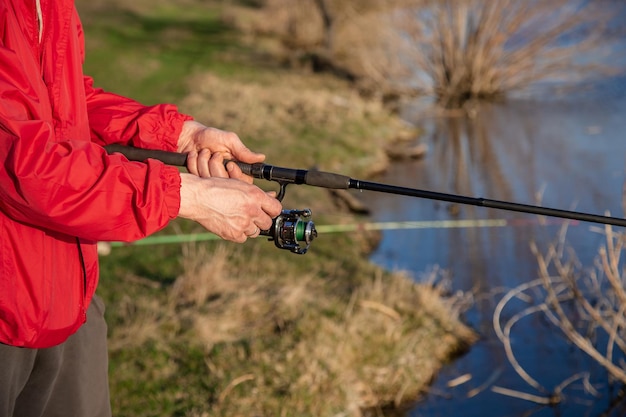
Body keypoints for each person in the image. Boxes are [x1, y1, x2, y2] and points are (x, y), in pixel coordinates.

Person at [0, 0, 282, 416]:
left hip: (70, 297)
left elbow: (67, 104)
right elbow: (24, 165)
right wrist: (188, 195)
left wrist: (181, 136)